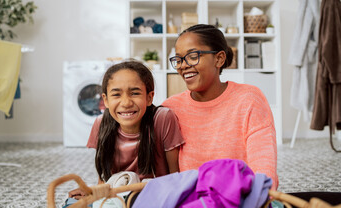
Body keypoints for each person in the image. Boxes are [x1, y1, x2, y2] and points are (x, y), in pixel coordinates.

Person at [162, 24, 279, 190]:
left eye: (193, 56)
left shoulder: (249, 99)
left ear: (219, 59)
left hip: (242, 199)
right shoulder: (170, 108)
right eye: (179, 59)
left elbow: (264, 166)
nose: (183, 65)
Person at [67, 60, 184, 203]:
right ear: (106, 100)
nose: (126, 103)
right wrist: (92, 193)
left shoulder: (163, 119)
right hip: (116, 196)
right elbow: (103, 180)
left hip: (154, 196)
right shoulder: (101, 124)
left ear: (149, 97)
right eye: (116, 95)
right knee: (72, 203)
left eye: (134, 93)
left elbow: (175, 177)